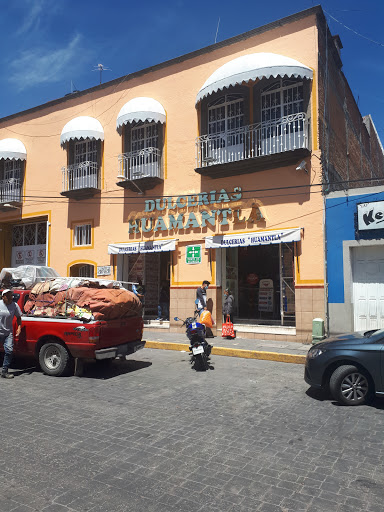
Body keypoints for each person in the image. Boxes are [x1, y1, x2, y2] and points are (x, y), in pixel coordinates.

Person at [0, 289, 22, 379]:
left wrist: (19, 327)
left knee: (9, 351)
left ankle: (4, 371)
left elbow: (18, 317)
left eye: (11, 296)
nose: (10, 297)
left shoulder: (14, 306)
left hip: (8, 332)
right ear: (3, 297)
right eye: (8, 296)